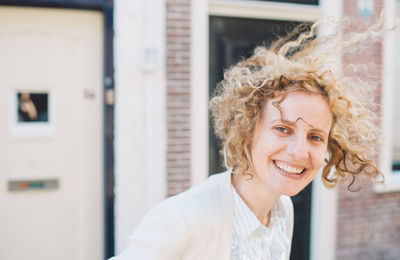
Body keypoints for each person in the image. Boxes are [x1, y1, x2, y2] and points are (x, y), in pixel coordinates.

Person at [111, 22, 381, 260]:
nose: (300, 152)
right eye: (283, 129)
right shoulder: (181, 220)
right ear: (248, 131)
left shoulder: (282, 210)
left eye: (315, 137)